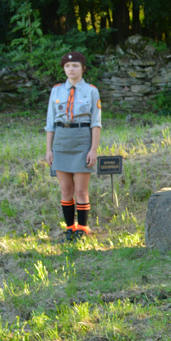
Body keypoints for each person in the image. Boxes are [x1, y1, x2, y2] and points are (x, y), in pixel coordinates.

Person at [45, 51, 102, 242]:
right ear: (64, 69)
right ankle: (70, 227)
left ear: (83, 69)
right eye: (68, 66)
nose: (71, 69)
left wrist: (93, 149)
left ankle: (83, 228)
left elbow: (96, 122)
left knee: (80, 190)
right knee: (66, 189)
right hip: (61, 139)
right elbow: (50, 122)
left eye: (75, 66)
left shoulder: (92, 91)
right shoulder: (57, 90)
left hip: (81, 138)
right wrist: (48, 149)